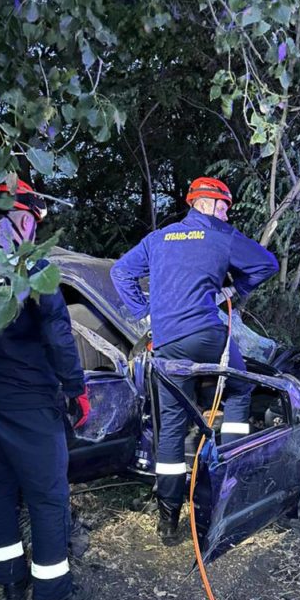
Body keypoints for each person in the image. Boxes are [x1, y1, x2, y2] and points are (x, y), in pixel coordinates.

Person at [110, 176, 278, 543]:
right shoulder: (220, 235)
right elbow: (268, 264)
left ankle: (168, 522)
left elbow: (119, 272)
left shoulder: (159, 239)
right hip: (206, 335)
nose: (224, 214)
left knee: (169, 425)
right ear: (205, 203)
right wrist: (234, 289)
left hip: (167, 344)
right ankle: (231, 483)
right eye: (222, 207)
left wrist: (146, 312)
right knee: (238, 390)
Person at [0, 180, 91, 600]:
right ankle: (52, 589)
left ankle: (9, 583)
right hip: (27, 399)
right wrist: (76, 389)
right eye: (35, 219)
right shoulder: (36, 269)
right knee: (48, 493)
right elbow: (59, 336)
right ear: (26, 217)